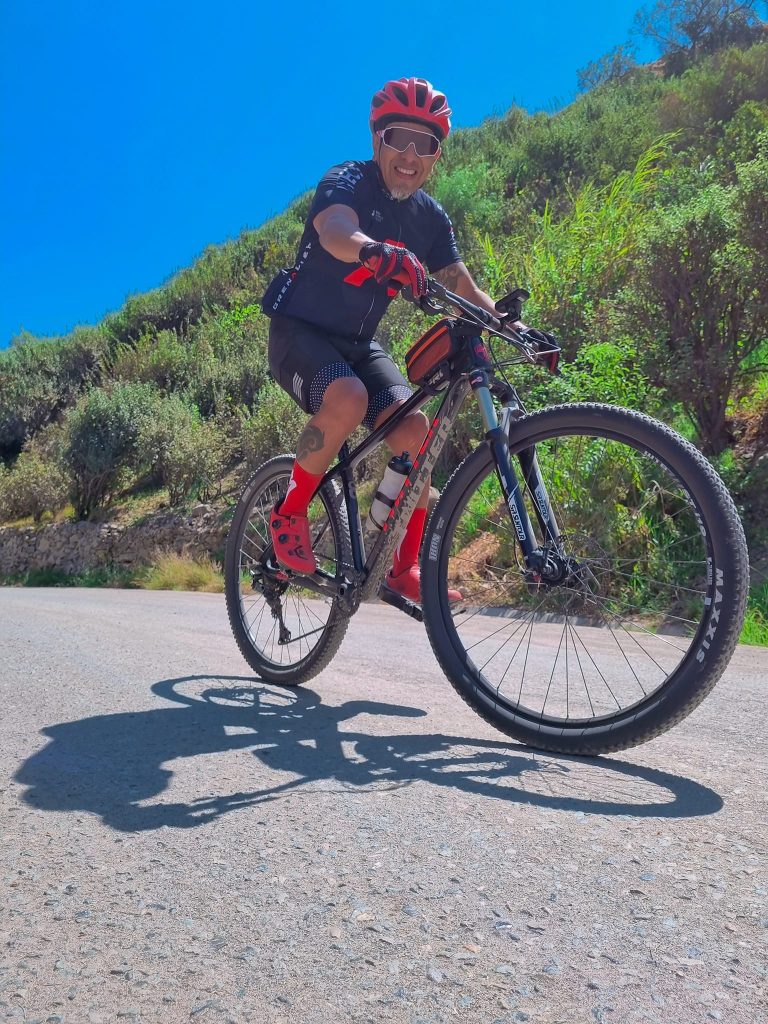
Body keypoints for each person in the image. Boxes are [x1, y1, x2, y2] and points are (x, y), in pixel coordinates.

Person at [261, 77, 504, 605]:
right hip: (298, 331)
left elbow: (463, 284)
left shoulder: (429, 219)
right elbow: (335, 230)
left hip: (356, 344)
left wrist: (515, 328)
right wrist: (374, 250)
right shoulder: (348, 179)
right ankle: (291, 508)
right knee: (345, 398)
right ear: (378, 142)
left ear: (437, 156)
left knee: (417, 431)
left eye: (427, 144)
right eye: (399, 139)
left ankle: (402, 567)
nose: (411, 155)